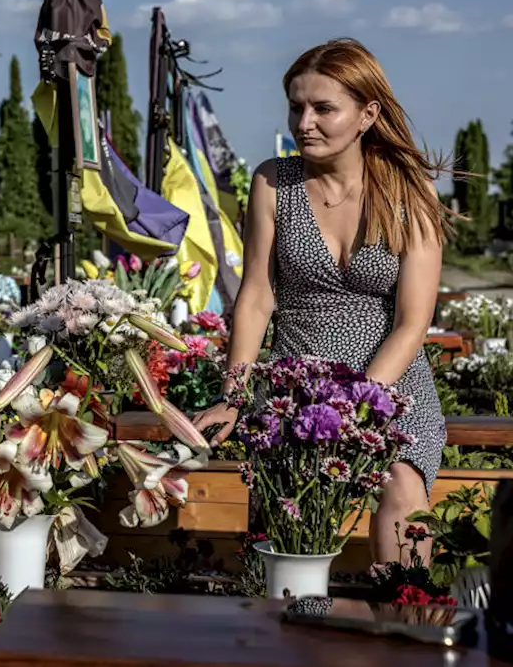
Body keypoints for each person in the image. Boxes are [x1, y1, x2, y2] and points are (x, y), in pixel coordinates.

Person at [193, 38, 451, 563]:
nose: (304, 122)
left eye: (323, 108)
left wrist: (359, 403)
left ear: (367, 115)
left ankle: (406, 619)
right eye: (296, 106)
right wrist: (234, 394)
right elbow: (257, 298)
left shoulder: (410, 195)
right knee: (289, 509)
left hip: (390, 384)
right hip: (297, 381)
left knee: (401, 483)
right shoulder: (273, 181)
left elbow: (411, 323)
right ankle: (285, 622)